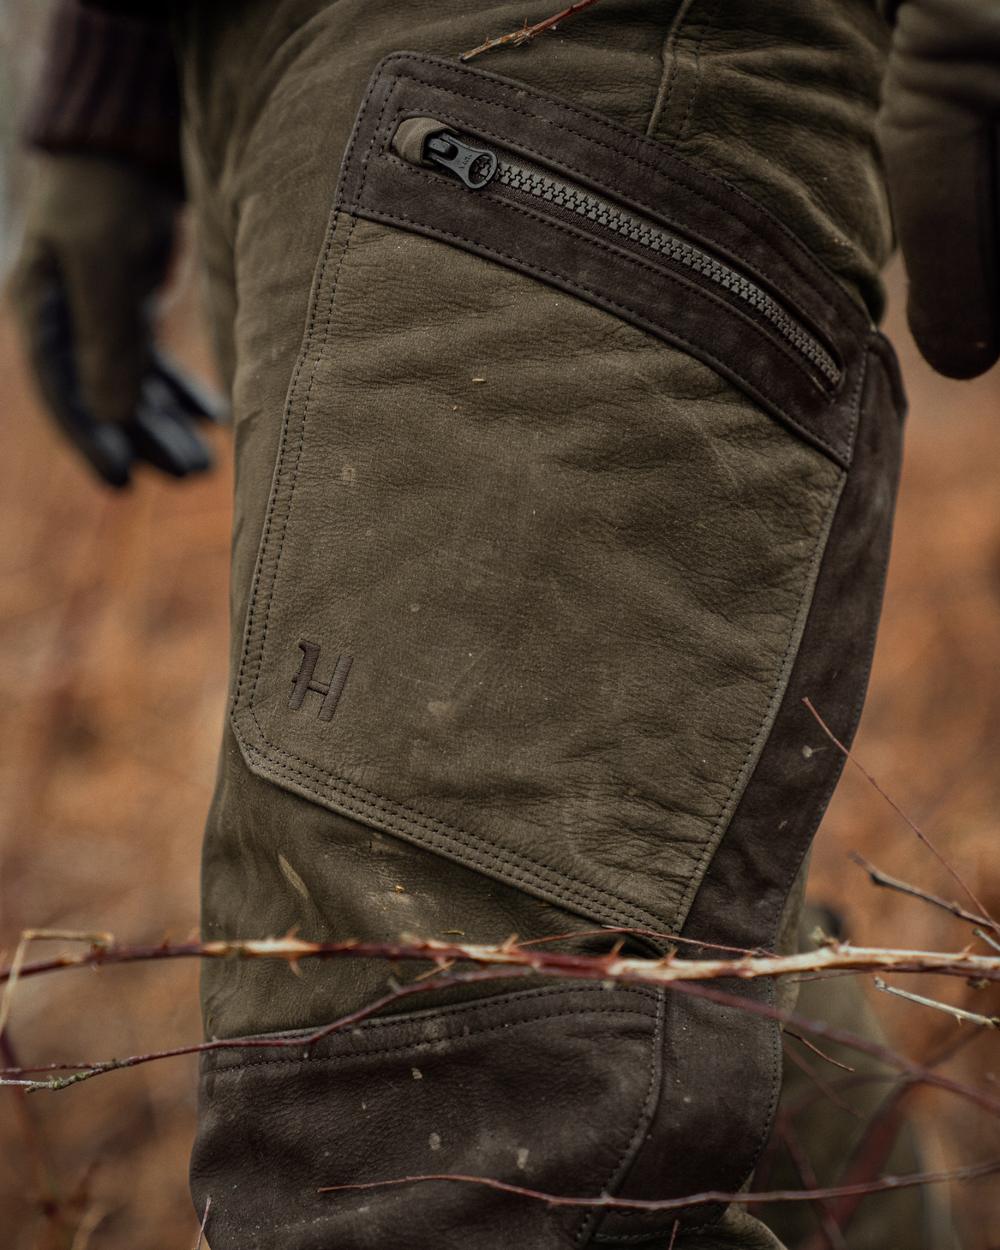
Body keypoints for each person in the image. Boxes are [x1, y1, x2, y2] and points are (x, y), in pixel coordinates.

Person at [9, 2, 996, 1246]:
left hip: (567, 56)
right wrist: (120, 79)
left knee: (426, 1129)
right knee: (635, 968)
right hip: (283, 88)